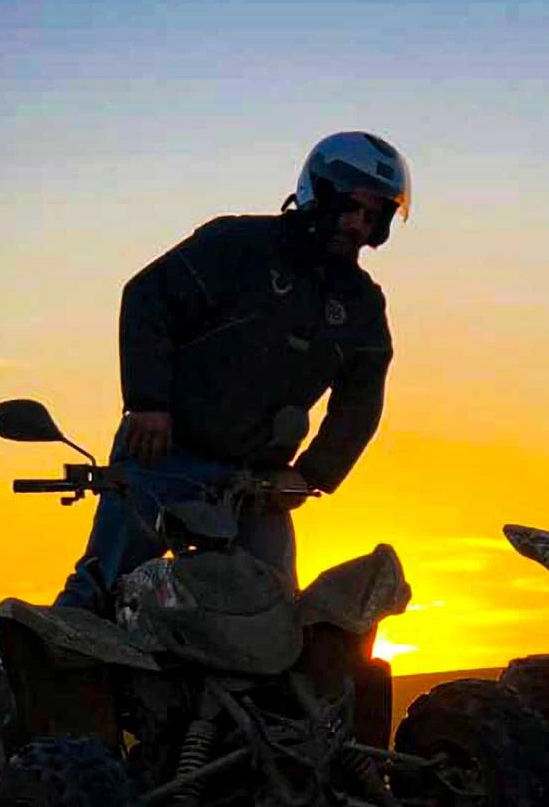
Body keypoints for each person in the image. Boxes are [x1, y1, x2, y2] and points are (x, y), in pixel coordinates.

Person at [56, 131, 410, 609]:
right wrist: (148, 404)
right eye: (350, 208)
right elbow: (147, 299)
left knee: (276, 610)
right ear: (318, 193)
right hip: (163, 455)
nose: (358, 226)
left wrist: (312, 474)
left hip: (254, 483)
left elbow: (361, 398)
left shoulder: (361, 304)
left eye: (372, 217)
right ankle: (45, 648)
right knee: (102, 586)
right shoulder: (239, 244)